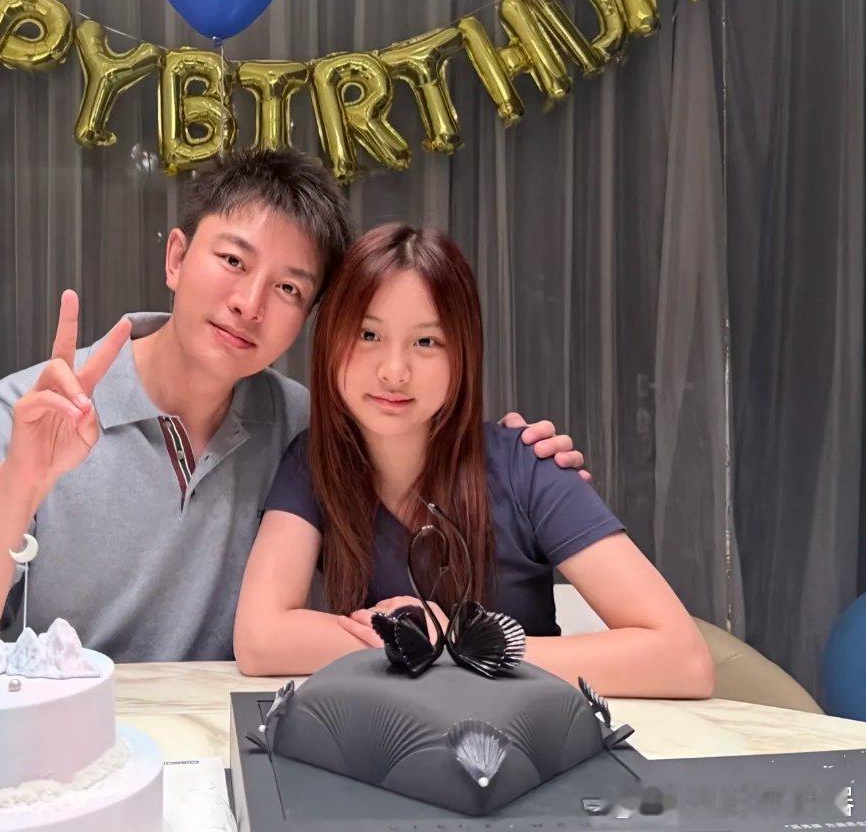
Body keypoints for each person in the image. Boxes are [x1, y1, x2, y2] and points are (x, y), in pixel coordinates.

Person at [0, 151, 587, 662]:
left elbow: (415, 468)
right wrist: (20, 480)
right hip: (58, 745)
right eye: (233, 261)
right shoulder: (29, 412)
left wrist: (512, 457)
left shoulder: (306, 428)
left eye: (288, 289)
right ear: (176, 258)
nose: (250, 304)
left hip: (229, 744)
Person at [233, 224, 714, 698]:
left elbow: (683, 659)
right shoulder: (314, 464)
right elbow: (259, 641)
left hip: (524, 736)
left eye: (426, 342)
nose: (394, 372)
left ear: (463, 353)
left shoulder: (529, 466)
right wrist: (412, 643)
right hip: (388, 735)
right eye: (368, 334)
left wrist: (460, 649)